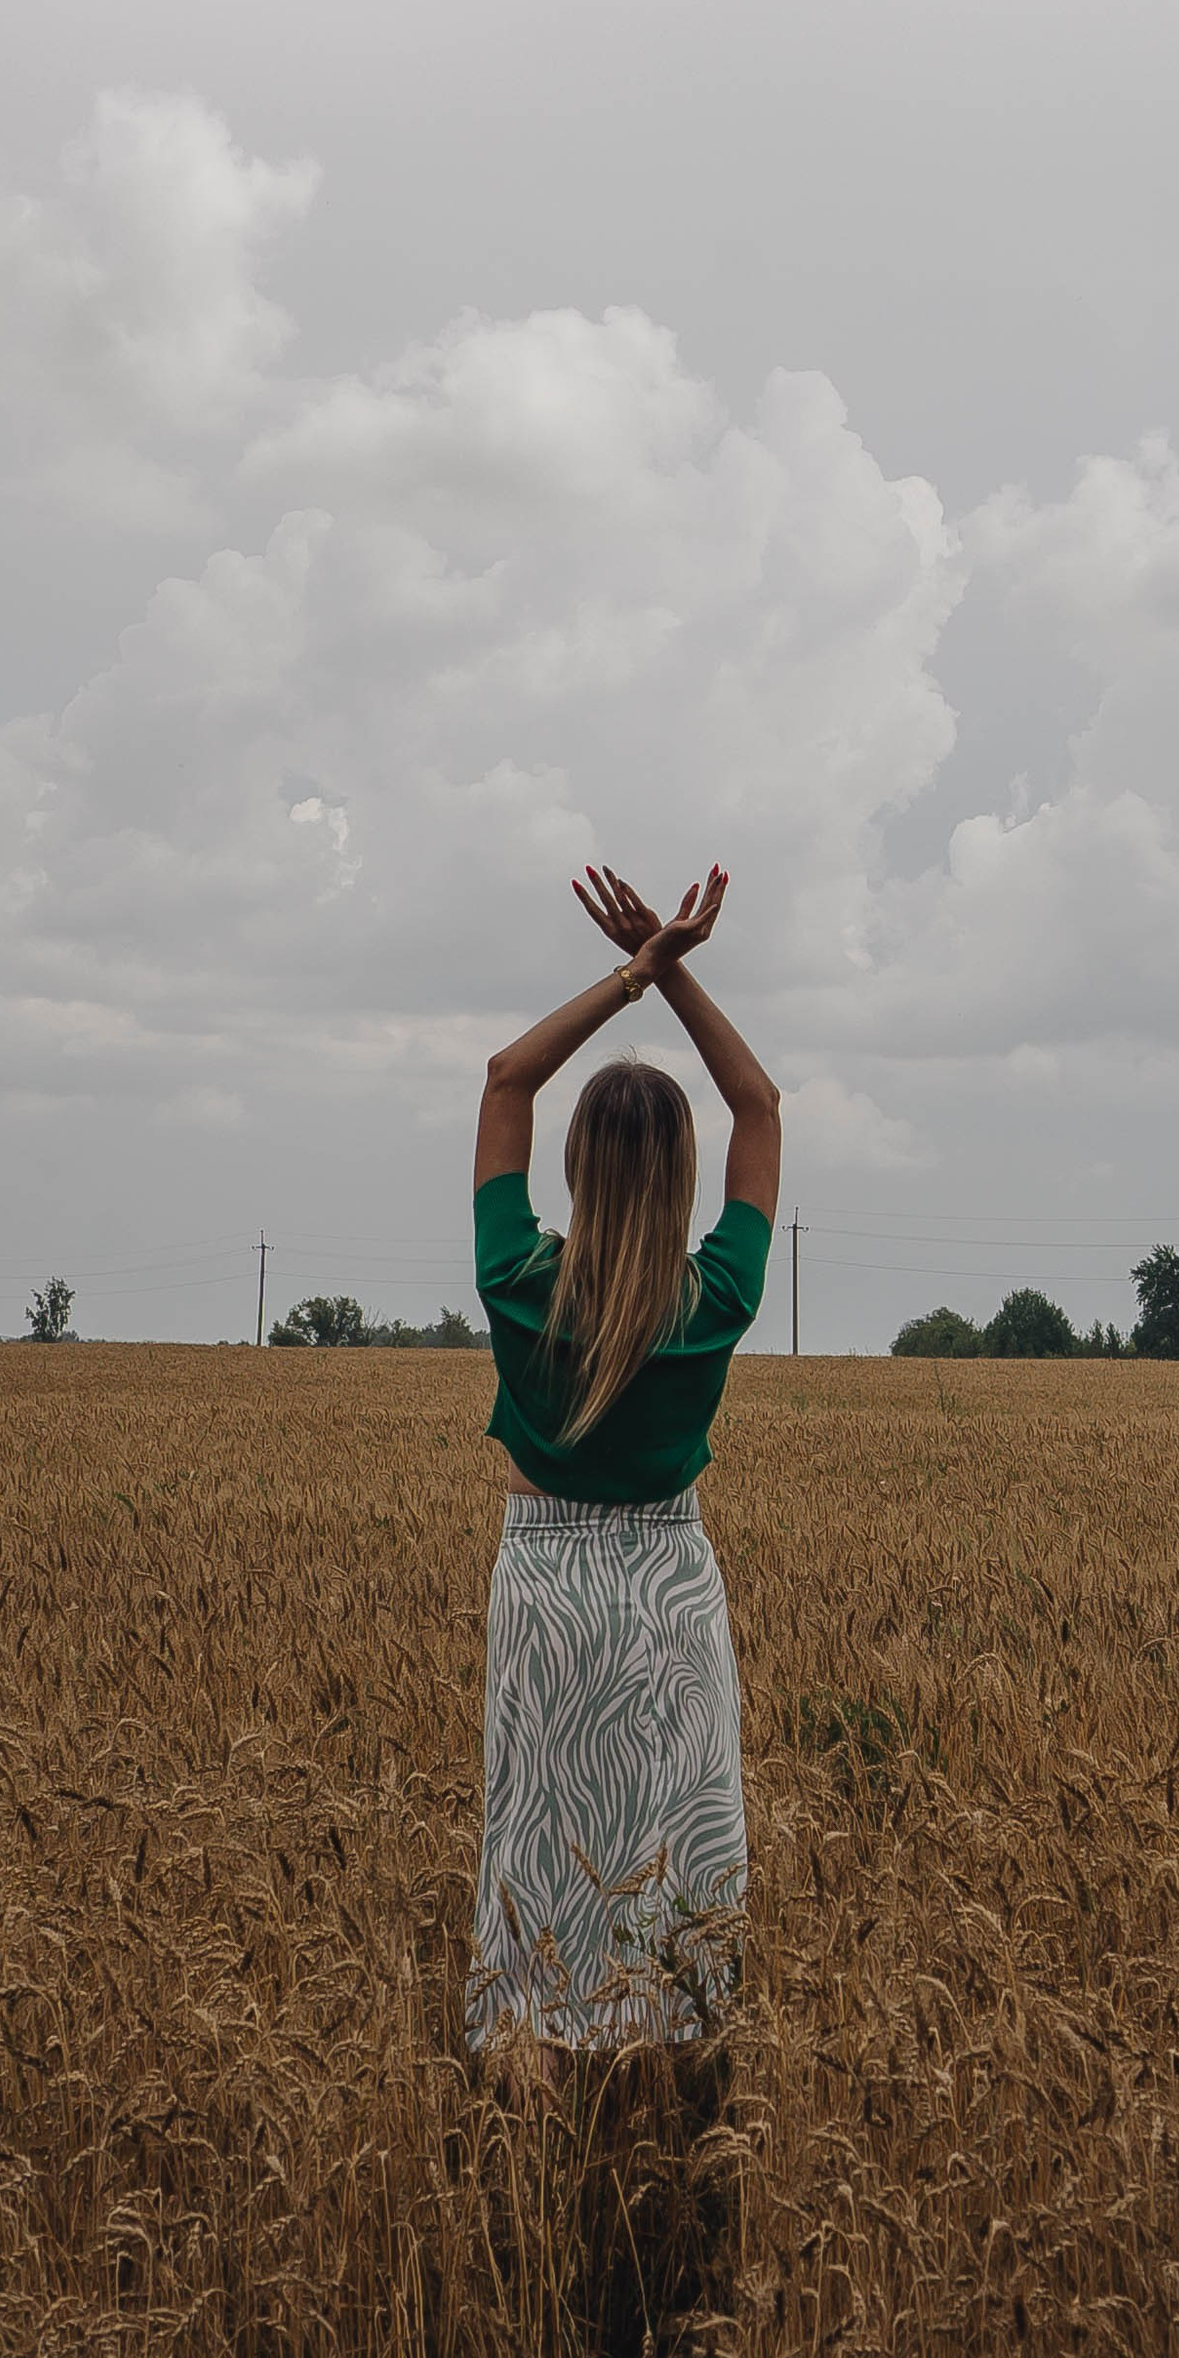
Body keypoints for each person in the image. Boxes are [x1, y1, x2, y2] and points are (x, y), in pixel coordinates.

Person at [468, 862, 781, 2068]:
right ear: (684, 1177)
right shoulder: (719, 1297)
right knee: (677, 1835)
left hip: (546, 1587)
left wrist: (631, 976)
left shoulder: (520, 1283)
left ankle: (529, 2080)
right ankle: (684, 2068)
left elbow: (507, 1076)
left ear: (575, 1172)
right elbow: (756, 1106)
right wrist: (684, 973)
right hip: (670, 1585)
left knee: (541, 1840)